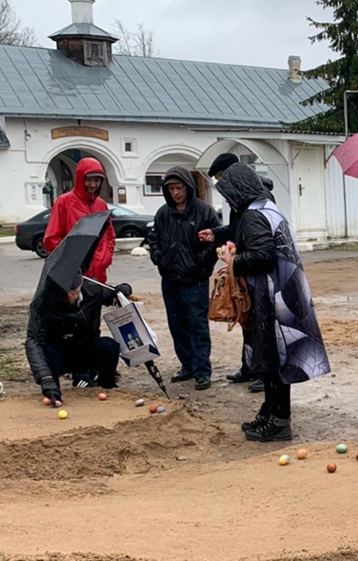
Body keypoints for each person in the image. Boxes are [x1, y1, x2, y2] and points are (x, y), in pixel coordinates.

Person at [212, 163, 329, 441]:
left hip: (272, 298)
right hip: (285, 292)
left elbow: (262, 255)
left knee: (275, 357)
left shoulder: (254, 215)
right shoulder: (267, 207)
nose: (227, 199)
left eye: (228, 193)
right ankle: (270, 411)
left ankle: (279, 421)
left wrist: (232, 261)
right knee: (271, 356)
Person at [147, 166, 220, 390]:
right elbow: (154, 237)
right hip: (170, 279)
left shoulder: (205, 212)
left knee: (197, 325)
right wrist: (158, 257)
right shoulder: (162, 213)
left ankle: (201, 371)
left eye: (179, 188)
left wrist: (202, 265)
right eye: (171, 188)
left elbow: (215, 241)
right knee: (177, 325)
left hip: (195, 279)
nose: (175, 192)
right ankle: (186, 365)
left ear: (188, 187)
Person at [206, 152, 264, 392]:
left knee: (259, 322)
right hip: (242, 267)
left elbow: (261, 247)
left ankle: (263, 372)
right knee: (245, 319)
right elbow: (236, 229)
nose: (223, 189)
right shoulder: (239, 203)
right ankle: (248, 367)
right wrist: (217, 234)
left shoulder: (257, 202)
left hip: (253, 270)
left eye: (223, 179)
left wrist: (234, 259)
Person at [25, 274, 131, 406]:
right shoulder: (43, 301)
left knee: (109, 346)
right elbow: (33, 341)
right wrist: (46, 380)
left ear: (81, 284)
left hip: (85, 348)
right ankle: (54, 391)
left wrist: (124, 289)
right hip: (59, 353)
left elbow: (113, 294)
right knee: (47, 352)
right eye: (63, 291)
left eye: (72, 290)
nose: (67, 295)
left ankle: (107, 385)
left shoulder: (93, 289)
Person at [42, 157, 116, 283]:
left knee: (95, 301)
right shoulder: (64, 202)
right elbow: (51, 239)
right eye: (89, 180)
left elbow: (109, 236)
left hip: (99, 274)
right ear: (81, 178)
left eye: (97, 180)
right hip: (73, 277)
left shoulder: (101, 205)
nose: (93, 185)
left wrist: (105, 258)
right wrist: (71, 262)